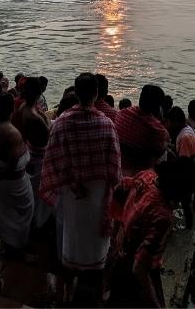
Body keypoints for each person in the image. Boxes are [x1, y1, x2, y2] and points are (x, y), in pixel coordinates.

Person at [39, 73, 120, 305]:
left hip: (71, 192)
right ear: (96, 93)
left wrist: (74, 180)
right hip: (98, 193)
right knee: (97, 243)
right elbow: (115, 167)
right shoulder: (106, 124)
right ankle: (97, 292)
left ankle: (66, 291)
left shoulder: (62, 122)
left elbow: (52, 159)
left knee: (71, 238)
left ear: (76, 92)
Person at [107, 157, 195, 307]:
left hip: (119, 258)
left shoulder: (146, 176)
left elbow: (120, 188)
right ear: (179, 190)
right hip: (133, 275)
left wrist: (117, 229)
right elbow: (139, 270)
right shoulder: (162, 216)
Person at [0, 93, 34, 253]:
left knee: (5, 212)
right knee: (24, 211)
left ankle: (7, 242)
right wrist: (0, 173)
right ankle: (19, 248)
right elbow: (13, 164)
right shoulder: (13, 133)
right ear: (12, 109)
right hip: (13, 180)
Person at [18, 76, 53, 228]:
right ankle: (36, 222)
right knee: (37, 191)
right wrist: (46, 119)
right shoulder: (33, 115)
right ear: (39, 93)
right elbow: (47, 136)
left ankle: (33, 219)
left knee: (33, 190)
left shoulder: (25, 107)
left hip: (31, 152)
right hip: (37, 157)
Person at [115, 85, 170, 175]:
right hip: (138, 176)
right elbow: (161, 151)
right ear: (159, 108)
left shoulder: (122, 114)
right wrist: (159, 119)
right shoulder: (158, 131)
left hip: (117, 167)